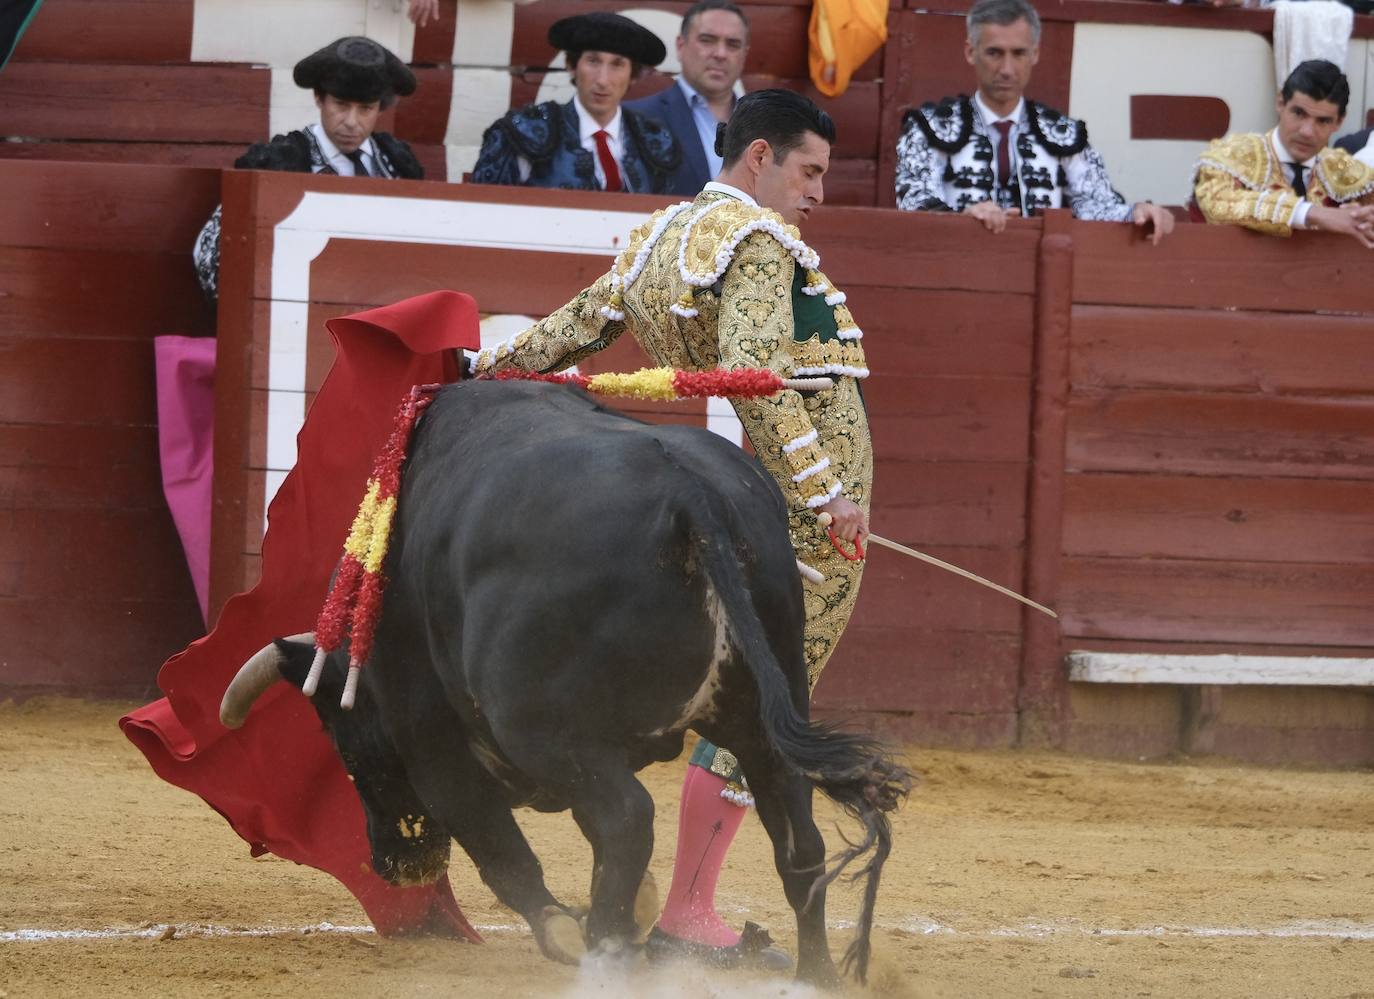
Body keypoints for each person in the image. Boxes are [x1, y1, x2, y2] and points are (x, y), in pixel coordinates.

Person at [472, 88, 870, 971]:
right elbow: (760, 379)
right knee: (768, 702)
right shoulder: (759, 242)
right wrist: (826, 494)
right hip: (797, 513)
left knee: (742, 695)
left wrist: (479, 370)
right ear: (759, 157)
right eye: (808, 170)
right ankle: (691, 905)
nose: (817, 192)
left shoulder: (660, 234)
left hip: (741, 484)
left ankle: (687, 895)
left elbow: (573, 329)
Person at [894, 0, 1173, 243]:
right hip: (957, 267)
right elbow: (915, 204)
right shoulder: (927, 128)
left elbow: (1095, 205)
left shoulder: (1064, 134)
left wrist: (1135, 212)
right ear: (971, 52)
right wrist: (962, 217)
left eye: (1018, 54)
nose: (1006, 69)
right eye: (994, 53)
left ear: (1035, 54)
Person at [193, 36, 424, 302]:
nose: (351, 122)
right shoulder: (280, 162)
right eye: (341, 105)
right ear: (319, 99)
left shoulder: (398, 165)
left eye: (365, 109)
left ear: (379, 109)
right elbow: (209, 256)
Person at [471, 12, 682, 193]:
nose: (602, 80)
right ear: (572, 66)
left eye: (617, 65)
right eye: (593, 61)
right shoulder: (523, 134)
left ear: (633, 75)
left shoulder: (654, 142)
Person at [1193, 59, 1374, 248]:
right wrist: (1312, 213)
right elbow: (1220, 203)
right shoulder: (1230, 156)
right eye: (1299, 113)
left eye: (1322, 121)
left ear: (1338, 123)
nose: (1307, 131)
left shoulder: (1345, 170)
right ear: (1280, 103)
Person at [624, 0, 750, 196]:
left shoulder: (764, 124)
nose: (720, 54)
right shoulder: (635, 118)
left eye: (733, 44)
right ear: (681, 46)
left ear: (744, 54)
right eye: (707, 40)